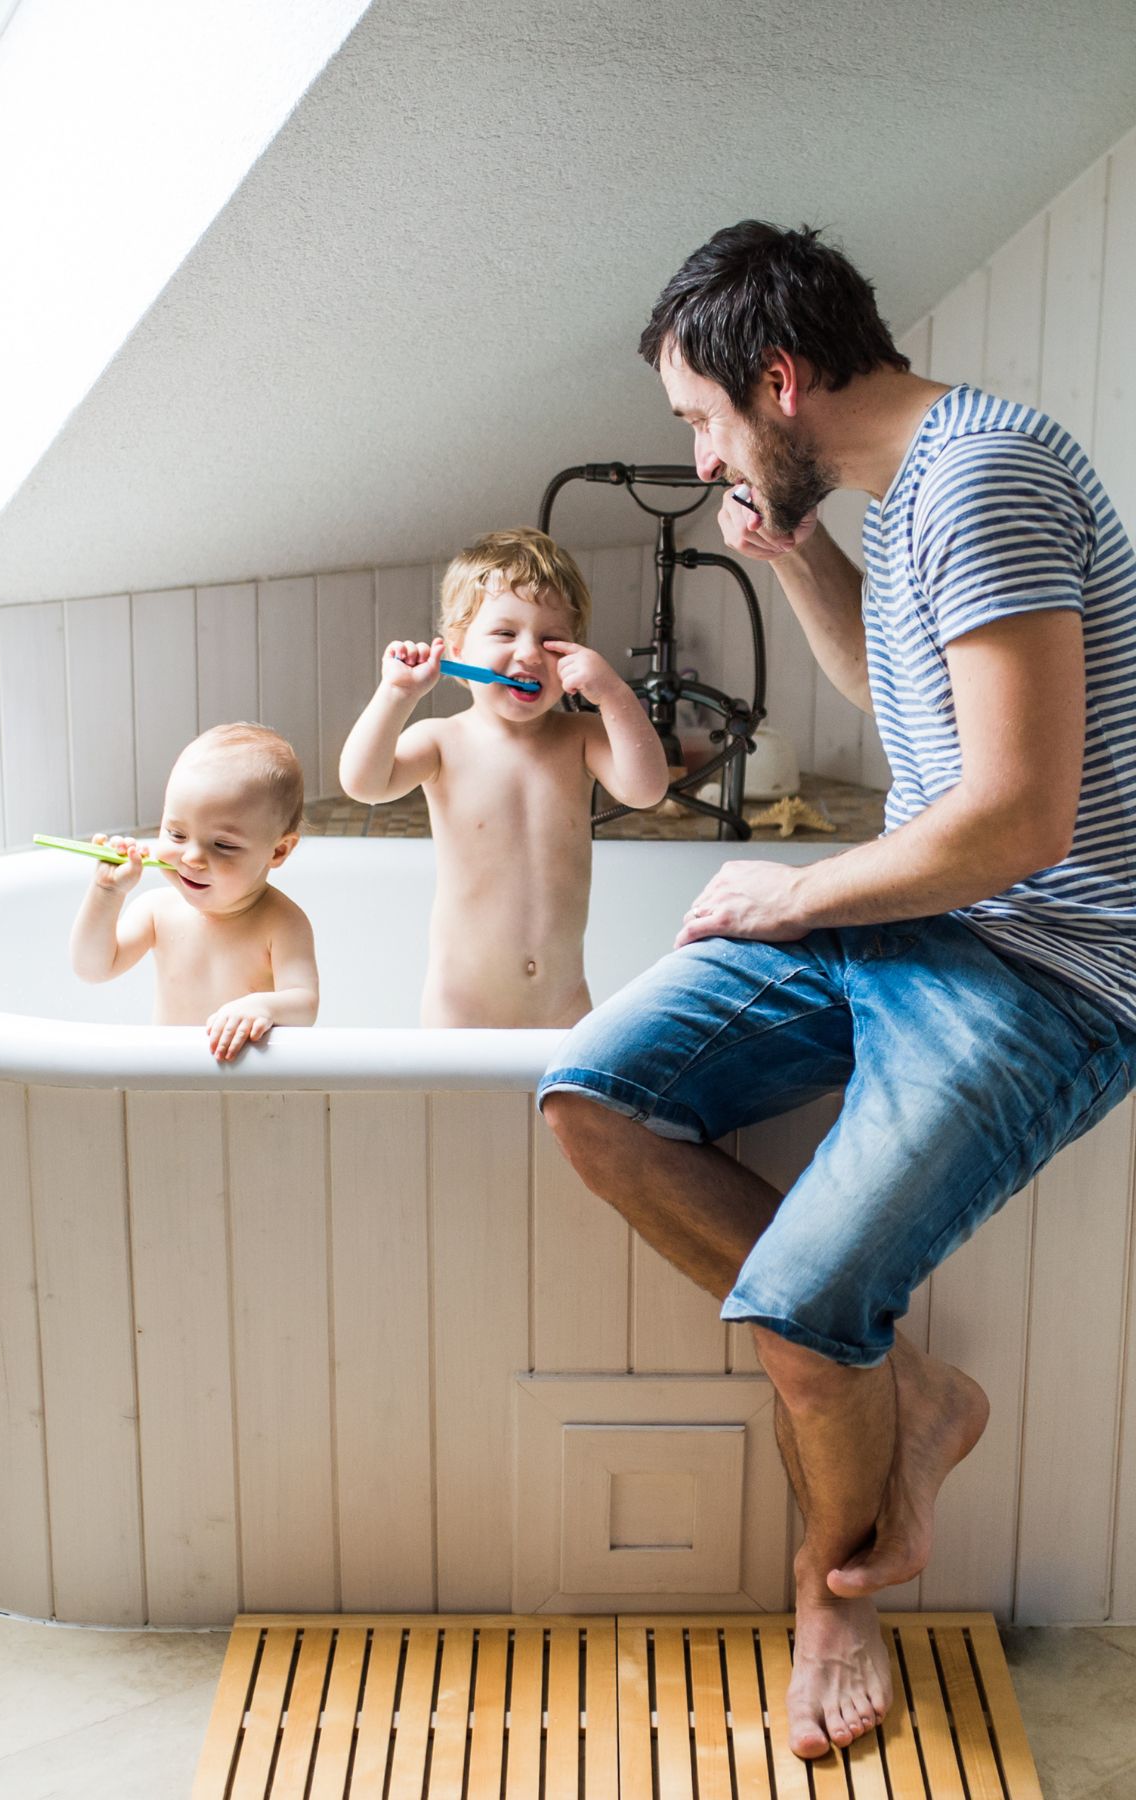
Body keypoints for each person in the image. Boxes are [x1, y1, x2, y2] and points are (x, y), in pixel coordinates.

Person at [538, 221, 1136, 1759]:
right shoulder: (922, 480)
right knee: (595, 1101)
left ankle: (834, 1592)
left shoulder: (990, 473)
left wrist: (796, 892)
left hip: (1046, 966)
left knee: (804, 1314)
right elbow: (914, 697)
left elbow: (1019, 820)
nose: (696, 447)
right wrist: (800, 560)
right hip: (928, 918)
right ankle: (902, 1391)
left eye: (701, 417)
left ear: (782, 381)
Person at [338, 527, 667, 1026]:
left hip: (563, 1002)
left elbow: (646, 791)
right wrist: (396, 696)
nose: (531, 653)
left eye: (552, 639)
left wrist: (615, 696)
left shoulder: (581, 736)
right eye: (505, 633)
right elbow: (363, 783)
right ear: (457, 651)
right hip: (462, 1007)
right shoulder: (441, 741)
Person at [71, 722, 319, 1060]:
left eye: (222, 845)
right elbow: (92, 968)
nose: (192, 858)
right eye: (176, 834)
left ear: (277, 851)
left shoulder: (282, 922)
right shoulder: (157, 911)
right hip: (170, 1076)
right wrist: (106, 893)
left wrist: (262, 1006)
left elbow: (305, 1005)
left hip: (249, 1088)